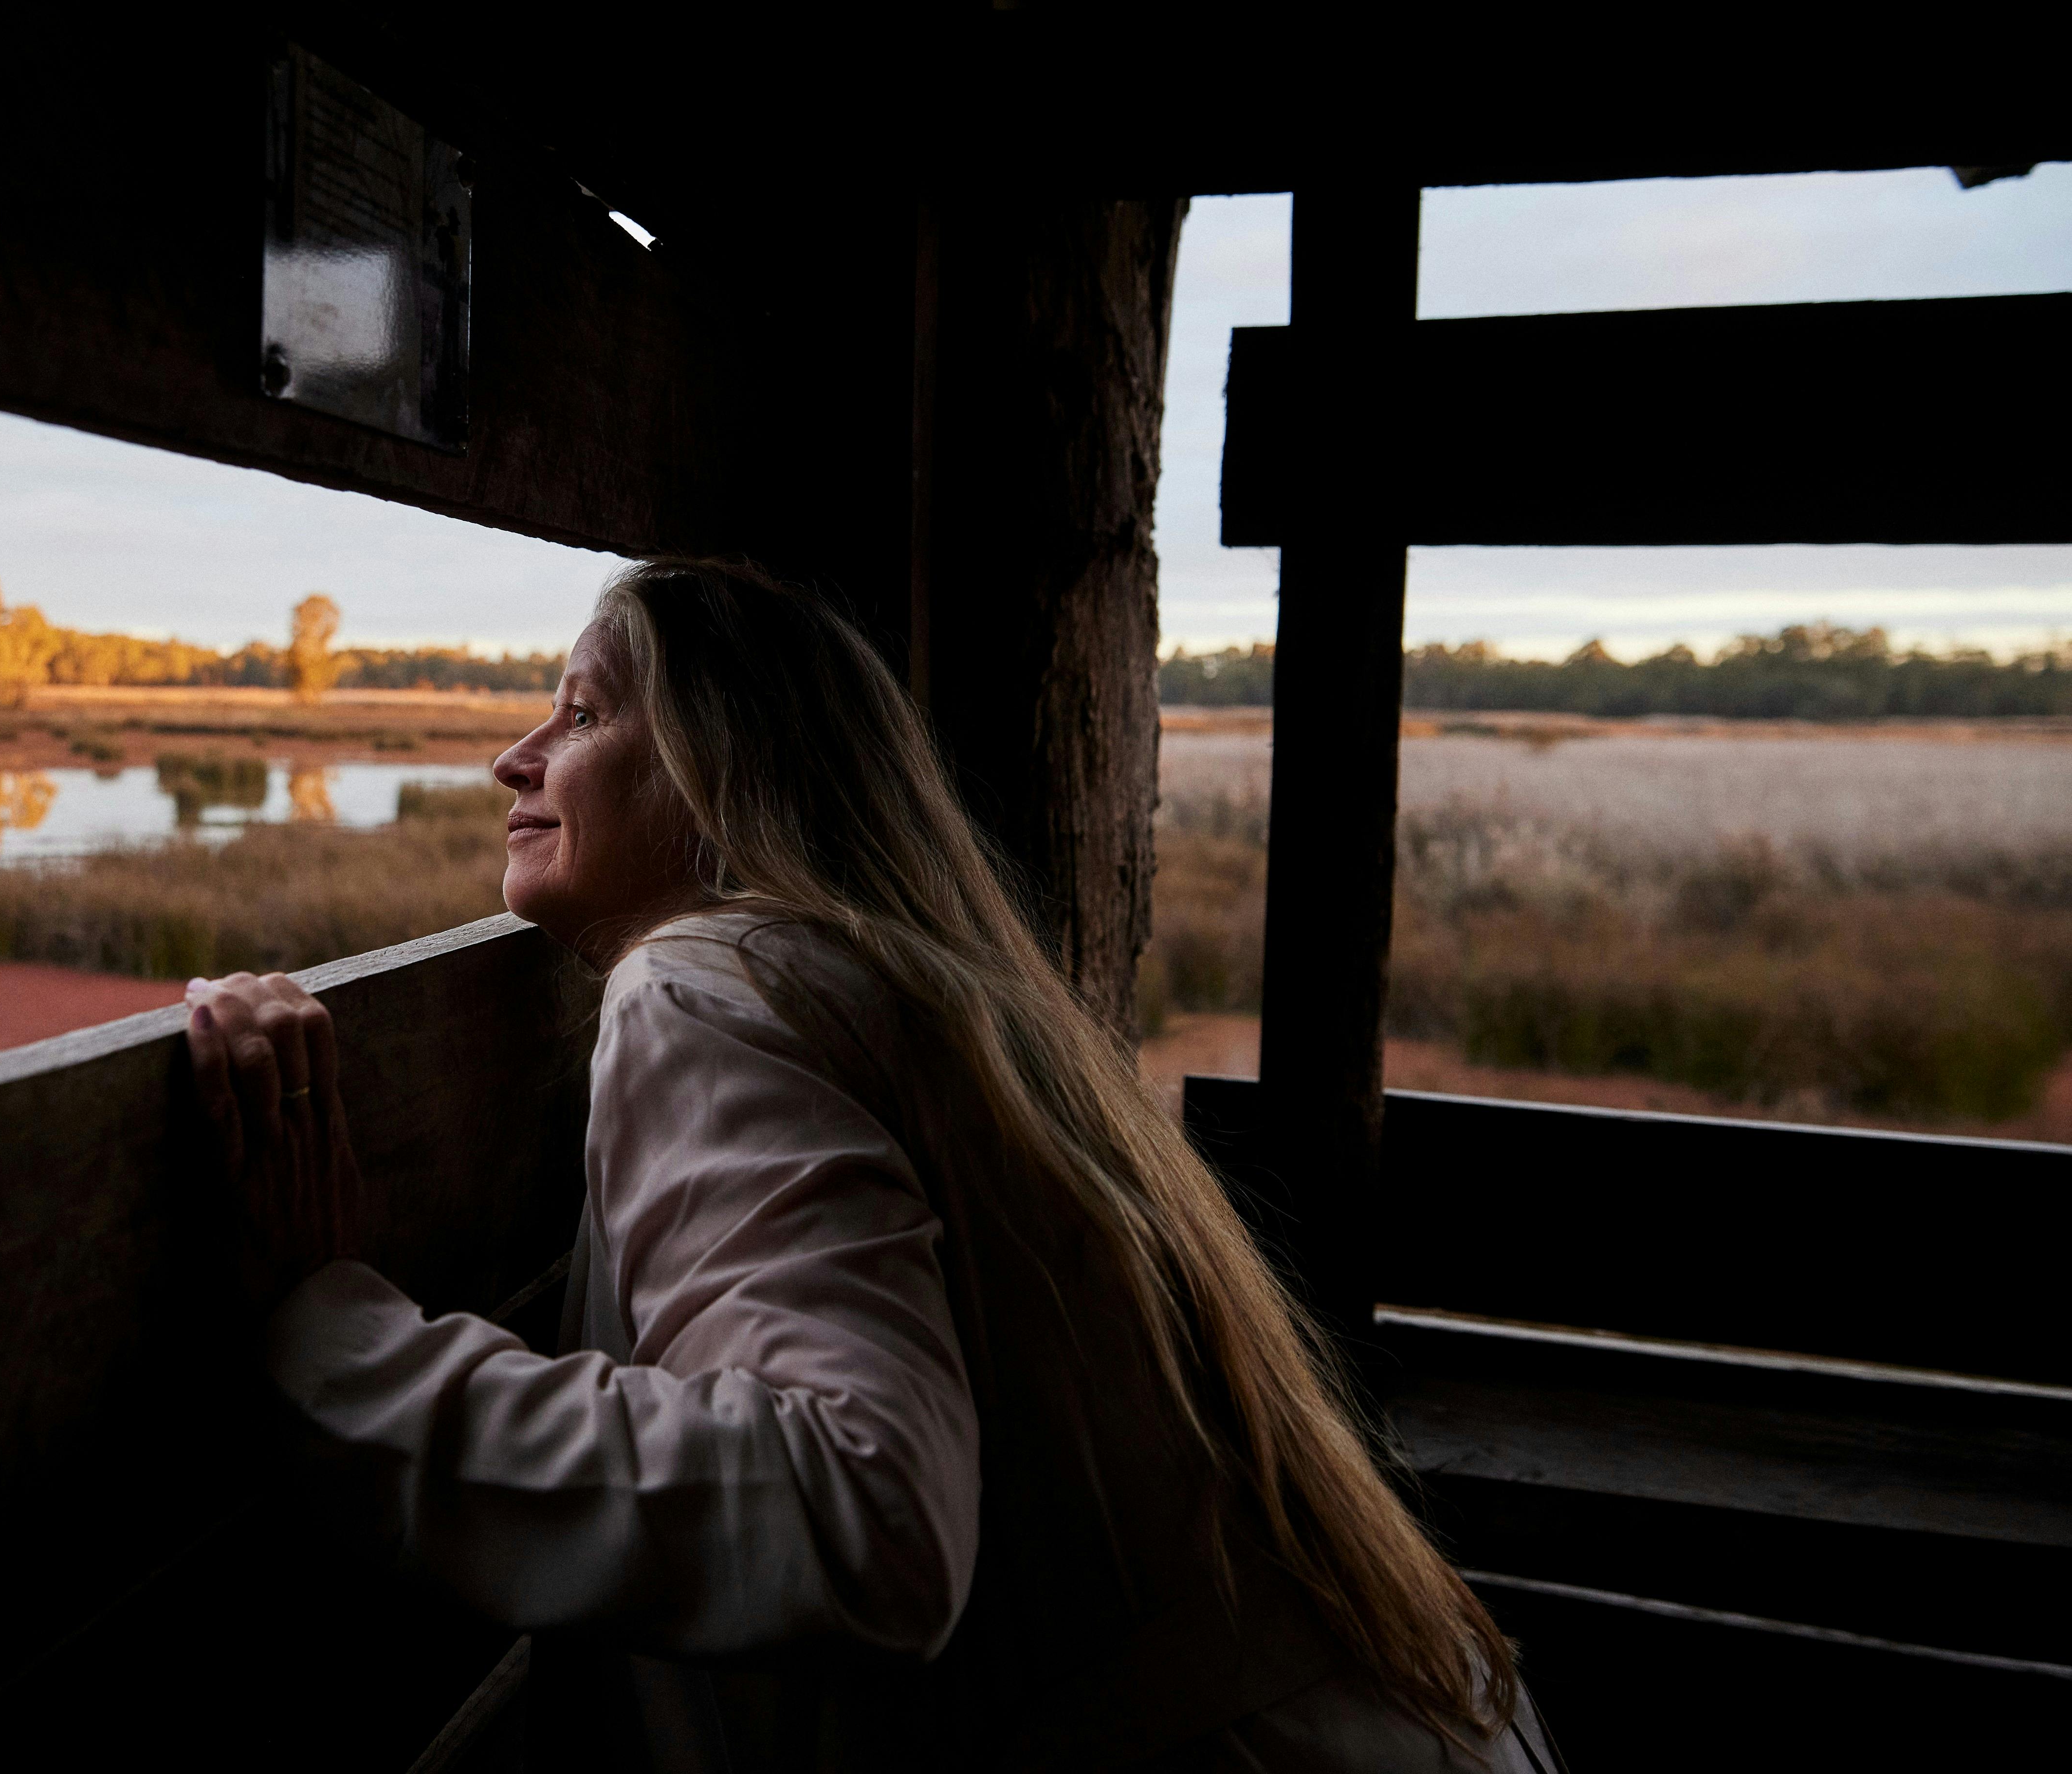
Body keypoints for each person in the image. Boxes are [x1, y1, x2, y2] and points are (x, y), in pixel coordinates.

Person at [183, 559, 1561, 1772]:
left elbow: (864, 1510)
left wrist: (342, 1350)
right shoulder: (928, 990)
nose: (518, 758)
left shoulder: (708, 981)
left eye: (588, 712)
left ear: (732, 774)